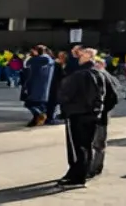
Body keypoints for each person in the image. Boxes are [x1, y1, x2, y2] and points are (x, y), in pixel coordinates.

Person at [56, 46, 113, 189]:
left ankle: (77, 175)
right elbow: (111, 96)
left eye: (80, 56)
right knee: (87, 145)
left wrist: (66, 109)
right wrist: (100, 111)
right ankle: (83, 173)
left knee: (77, 147)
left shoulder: (78, 76)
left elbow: (64, 94)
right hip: (93, 115)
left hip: (77, 113)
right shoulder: (100, 74)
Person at [21, 45, 55, 127]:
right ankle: (38, 118)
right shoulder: (49, 59)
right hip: (43, 86)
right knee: (39, 104)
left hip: (35, 85)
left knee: (30, 103)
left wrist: (28, 57)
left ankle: (40, 115)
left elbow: (26, 64)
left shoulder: (37, 59)